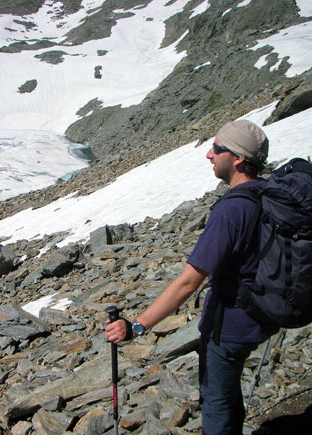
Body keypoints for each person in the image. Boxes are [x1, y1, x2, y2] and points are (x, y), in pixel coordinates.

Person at [106, 119, 274, 435]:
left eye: (217, 149)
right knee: (227, 391)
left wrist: (137, 326)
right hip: (265, 312)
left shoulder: (231, 210)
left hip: (232, 324)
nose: (208, 154)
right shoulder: (270, 193)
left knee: (217, 405)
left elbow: (188, 281)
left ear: (237, 159)